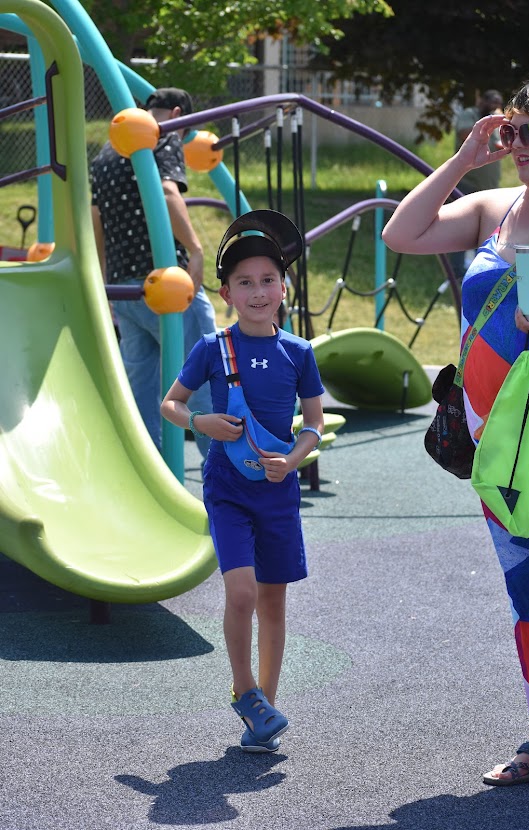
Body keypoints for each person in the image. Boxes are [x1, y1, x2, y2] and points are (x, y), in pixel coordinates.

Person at [382, 69, 529, 787]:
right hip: (498, 446)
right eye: (509, 128)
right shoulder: (495, 207)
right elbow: (403, 233)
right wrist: (463, 158)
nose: (515, 141)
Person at [161, 209, 325, 752]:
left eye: (268, 281)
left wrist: (296, 458)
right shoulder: (213, 348)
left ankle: (265, 712)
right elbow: (171, 404)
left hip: (278, 491)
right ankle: (244, 688)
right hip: (227, 489)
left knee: (274, 602)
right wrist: (198, 423)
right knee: (241, 592)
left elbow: (315, 424)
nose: (258, 292)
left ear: (285, 286)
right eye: (245, 283)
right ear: (226, 292)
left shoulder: (299, 353)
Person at [90, 87, 216, 460]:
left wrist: (105, 279)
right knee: (209, 374)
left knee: (143, 387)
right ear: (177, 114)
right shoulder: (162, 136)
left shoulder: (106, 154)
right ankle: (225, 473)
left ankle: (151, 476)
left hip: (125, 290)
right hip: (167, 286)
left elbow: (96, 219)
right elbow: (166, 191)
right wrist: (195, 249)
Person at [449, 89, 505, 279]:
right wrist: (487, 125)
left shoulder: (496, 123)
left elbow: (498, 144)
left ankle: (479, 272)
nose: (494, 107)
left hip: (488, 187)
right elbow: (466, 134)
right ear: (482, 101)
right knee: (460, 229)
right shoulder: (470, 115)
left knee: (487, 232)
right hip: (466, 183)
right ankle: (455, 271)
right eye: (492, 103)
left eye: (497, 104)